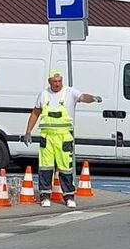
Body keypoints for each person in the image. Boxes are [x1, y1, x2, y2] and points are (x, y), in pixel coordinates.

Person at [23, 70, 99, 208]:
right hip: (47, 138)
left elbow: (83, 97)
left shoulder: (70, 92)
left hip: (64, 138)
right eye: (54, 82)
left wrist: (93, 98)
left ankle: (69, 196)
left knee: (65, 168)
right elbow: (35, 113)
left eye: (59, 81)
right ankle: (45, 196)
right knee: (45, 167)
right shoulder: (43, 95)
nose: (57, 84)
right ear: (49, 82)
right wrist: (28, 131)